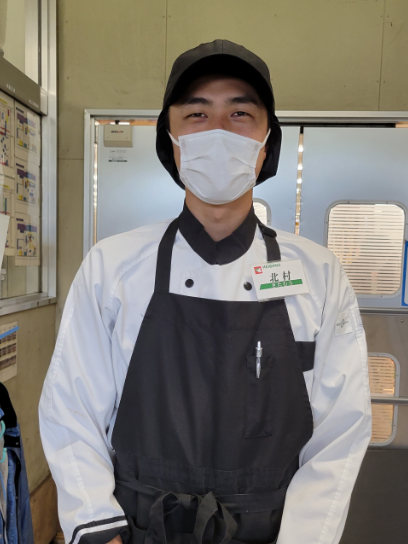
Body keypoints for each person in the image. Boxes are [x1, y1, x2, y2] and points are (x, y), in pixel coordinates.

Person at [39, 40, 372, 544]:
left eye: (240, 113)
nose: (218, 131)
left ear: (267, 143)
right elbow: (71, 409)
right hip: (136, 528)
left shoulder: (319, 275)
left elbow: (340, 430)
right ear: (171, 140)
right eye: (197, 114)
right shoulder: (112, 266)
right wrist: (97, 527)